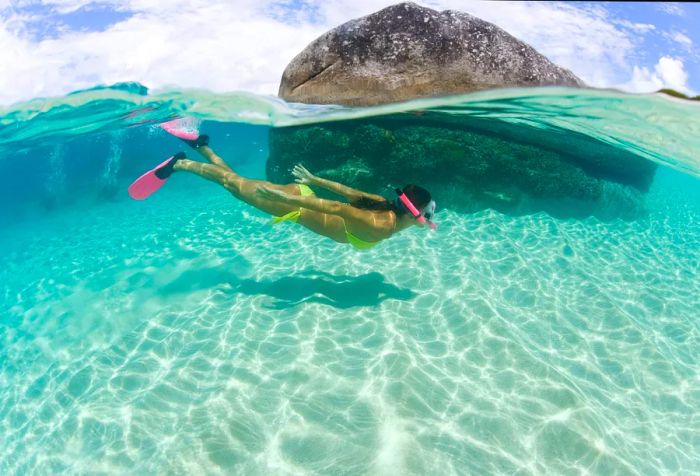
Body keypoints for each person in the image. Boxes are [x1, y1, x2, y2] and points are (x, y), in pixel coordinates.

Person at [128, 133, 437, 250]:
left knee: (234, 181)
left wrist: (313, 179)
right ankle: (180, 164)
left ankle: (200, 145)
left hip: (302, 197)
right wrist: (285, 199)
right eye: (428, 213)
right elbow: (336, 208)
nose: (430, 218)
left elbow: (346, 190)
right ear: (415, 214)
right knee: (232, 184)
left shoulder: (384, 206)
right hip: (296, 205)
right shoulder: (379, 225)